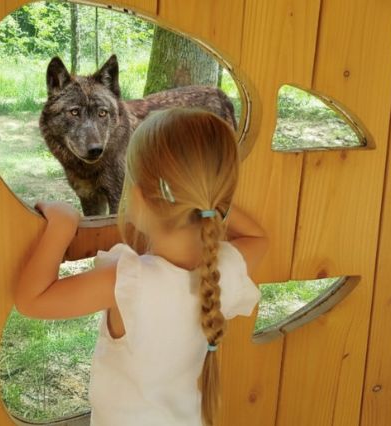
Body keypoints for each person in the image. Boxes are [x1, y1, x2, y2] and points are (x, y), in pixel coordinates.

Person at [14, 108, 269, 426]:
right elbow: (257, 237)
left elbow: (32, 300)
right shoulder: (224, 271)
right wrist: (209, 197)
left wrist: (61, 226)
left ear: (137, 198)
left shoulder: (129, 281)